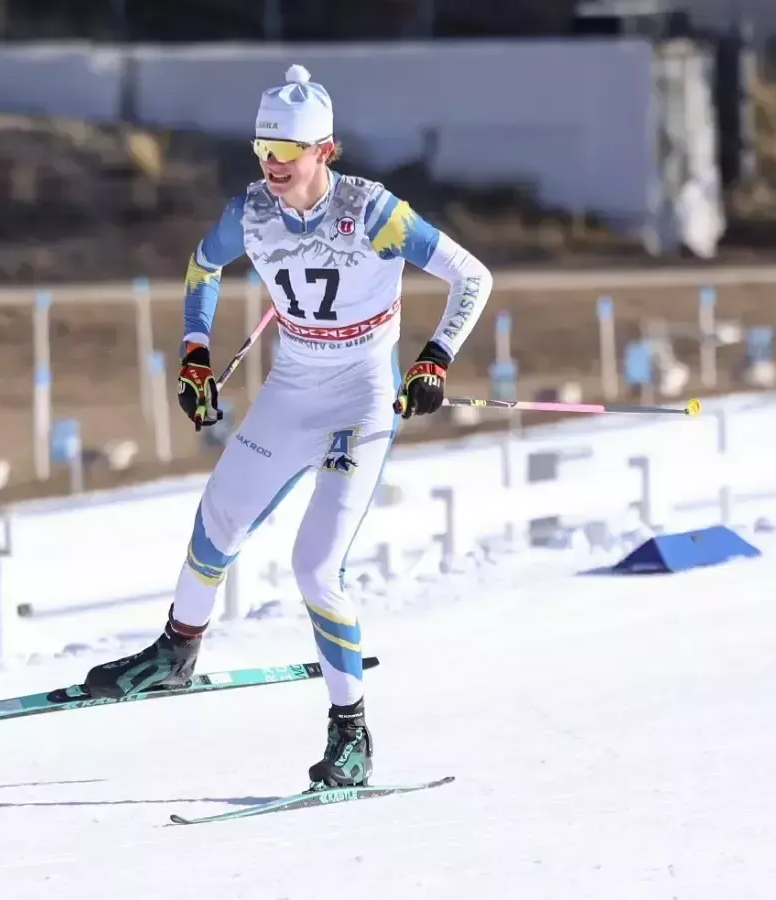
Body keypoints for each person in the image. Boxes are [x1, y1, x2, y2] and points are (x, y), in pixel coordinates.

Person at [82, 64, 493, 790]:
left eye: (286, 153)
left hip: (360, 404)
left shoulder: (373, 213)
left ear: (324, 152)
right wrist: (194, 356)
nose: (271, 166)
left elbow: (473, 278)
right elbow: (202, 266)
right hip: (291, 393)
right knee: (217, 522)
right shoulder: (251, 212)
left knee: (314, 568)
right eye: (261, 151)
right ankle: (175, 653)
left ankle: (352, 733)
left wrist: (434, 359)